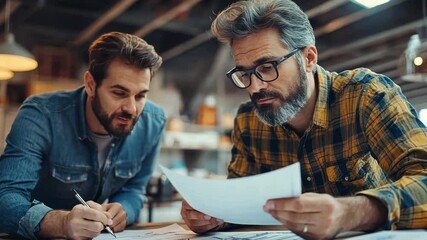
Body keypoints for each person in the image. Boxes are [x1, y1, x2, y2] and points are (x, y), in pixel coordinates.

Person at [180, 0, 427, 239]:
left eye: (267, 67)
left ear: (308, 58)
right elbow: (239, 203)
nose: (255, 87)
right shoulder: (249, 121)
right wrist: (215, 215)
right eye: (244, 73)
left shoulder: (367, 96)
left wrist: (350, 213)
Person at [0, 31, 166, 239]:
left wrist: (124, 209)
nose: (131, 109)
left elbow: (135, 189)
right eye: (119, 93)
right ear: (90, 84)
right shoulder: (41, 115)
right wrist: (59, 222)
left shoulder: (154, 122)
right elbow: (5, 197)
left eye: (141, 95)